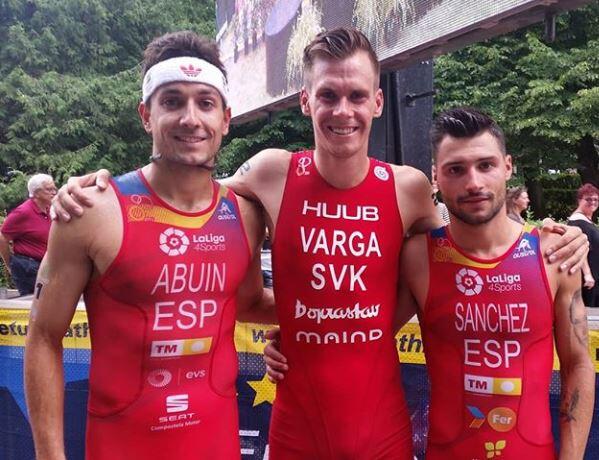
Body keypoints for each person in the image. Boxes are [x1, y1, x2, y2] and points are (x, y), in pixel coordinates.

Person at [53, 28, 589, 459]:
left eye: (357, 95)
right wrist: (98, 183)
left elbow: (465, 246)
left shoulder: (407, 188)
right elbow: (185, 193)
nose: (343, 110)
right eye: (328, 95)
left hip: (383, 430)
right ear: (306, 101)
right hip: (295, 430)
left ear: (378, 101)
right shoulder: (269, 173)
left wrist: (553, 236)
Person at [266, 108, 595, 459]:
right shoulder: (418, 257)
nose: (473, 183)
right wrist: (290, 345)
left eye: (486, 165)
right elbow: (358, 330)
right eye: (456, 169)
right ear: (436, 177)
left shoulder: (554, 254)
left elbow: (577, 364)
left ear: (508, 166)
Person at [24, 31, 275, 460]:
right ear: (146, 114)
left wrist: (340, 309)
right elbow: (44, 337)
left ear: (226, 119)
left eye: (205, 103)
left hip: (216, 443)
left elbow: (250, 303)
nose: (191, 118)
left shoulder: (246, 214)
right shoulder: (91, 210)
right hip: (123, 445)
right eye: (172, 101)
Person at [0, 173, 56, 295]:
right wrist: (9, 264)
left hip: (44, 266)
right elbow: (2, 237)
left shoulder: (48, 209)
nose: (53, 192)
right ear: (36, 193)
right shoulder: (23, 212)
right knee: (34, 307)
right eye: (49, 189)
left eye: (54, 188)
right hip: (28, 268)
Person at [568, 183, 599, 307]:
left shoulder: (585, 220)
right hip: (588, 280)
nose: (593, 202)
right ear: (579, 200)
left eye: (596, 199)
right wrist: (587, 274)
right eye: (588, 199)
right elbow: (578, 249)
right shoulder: (577, 222)